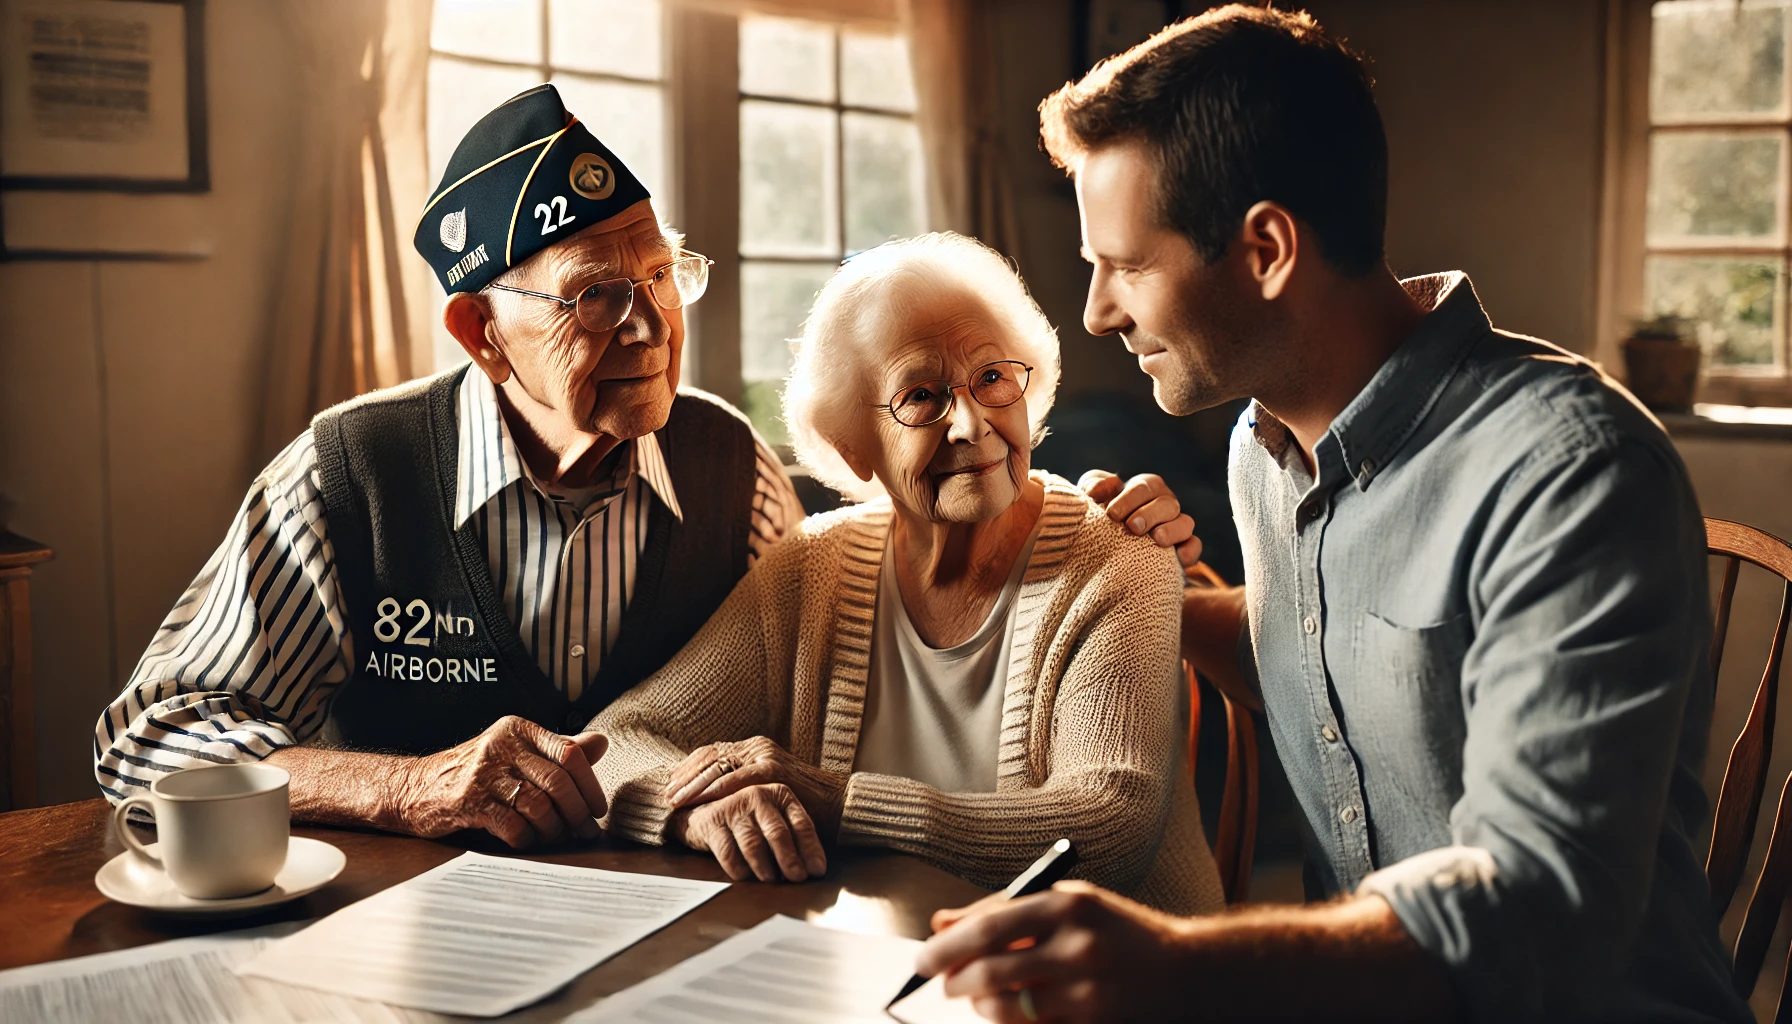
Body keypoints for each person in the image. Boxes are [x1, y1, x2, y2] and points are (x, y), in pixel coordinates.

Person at [916, 7, 1751, 1023]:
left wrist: (1184, 962)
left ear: (1266, 248)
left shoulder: (1571, 473)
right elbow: (1312, 670)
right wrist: (1138, 585)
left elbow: (1545, 903)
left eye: (1126, 265)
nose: (1096, 311)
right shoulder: (1259, 445)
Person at [92, 86, 1196, 851]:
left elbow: (796, 728)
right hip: (394, 928)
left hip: (665, 936)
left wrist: (1075, 515)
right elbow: (150, 740)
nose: (650, 325)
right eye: (594, 296)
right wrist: (403, 786)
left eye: (663, 277)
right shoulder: (350, 474)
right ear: (481, 332)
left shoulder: (727, 465)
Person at [589, 233, 1226, 915]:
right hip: (877, 980)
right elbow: (612, 743)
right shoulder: (812, 567)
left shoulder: (1122, 556)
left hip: (1118, 988)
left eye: (991, 378)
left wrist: (836, 801)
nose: (972, 425)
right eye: (922, 396)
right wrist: (692, 809)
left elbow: (1106, 830)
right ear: (851, 444)